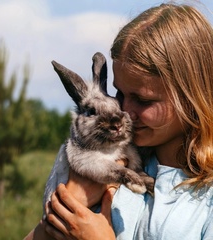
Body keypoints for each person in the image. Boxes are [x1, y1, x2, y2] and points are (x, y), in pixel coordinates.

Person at [24, 2, 213, 239]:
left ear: (191, 97)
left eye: (143, 100)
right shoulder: (107, 158)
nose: (125, 111)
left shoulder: (206, 201)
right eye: (119, 94)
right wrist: (61, 212)